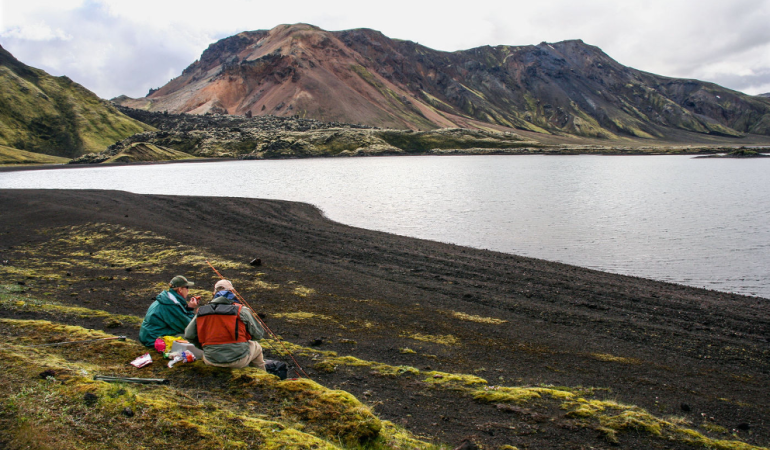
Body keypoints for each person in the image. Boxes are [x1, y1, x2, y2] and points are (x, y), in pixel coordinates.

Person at [184, 279, 266, 369]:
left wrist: (204, 347)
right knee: (257, 347)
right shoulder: (241, 310)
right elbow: (258, 335)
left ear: (214, 293)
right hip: (237, 360)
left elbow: (189, 335)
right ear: (232, 292)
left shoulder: (202, 311)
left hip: (210, 359)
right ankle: (262, 377)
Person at [139, 275, 200, 347]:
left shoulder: (168, 300)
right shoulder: (169, 305)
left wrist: (189, 307)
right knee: (194, 338)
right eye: (187, 288)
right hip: (153, 339)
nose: (188, 290)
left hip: (150, 336)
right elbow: (188, 327)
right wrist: (190, 310)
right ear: (180, 289)